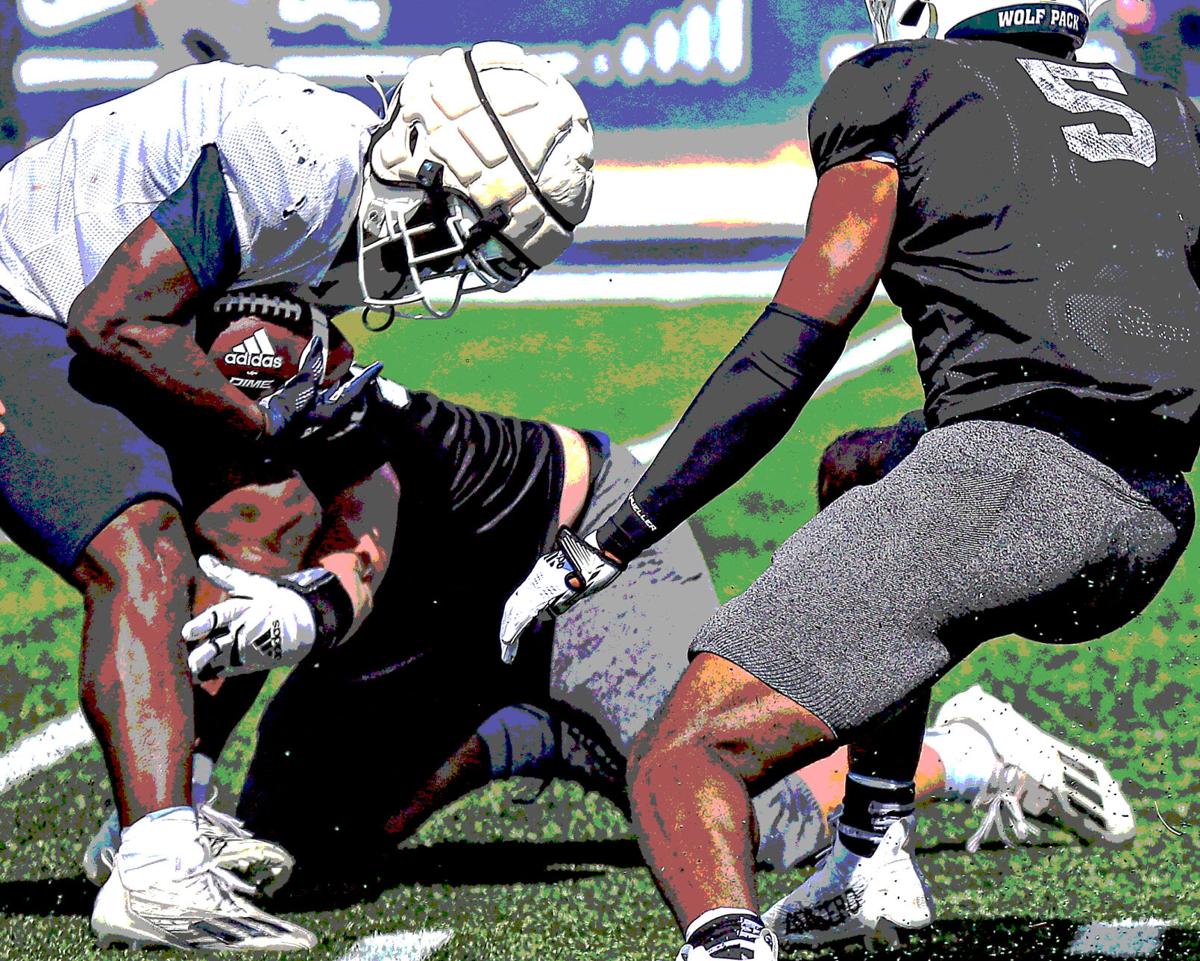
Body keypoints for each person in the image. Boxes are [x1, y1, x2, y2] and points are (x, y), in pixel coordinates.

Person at [500, 0, 1199, 957]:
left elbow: (795, 341)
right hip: (1153, 514)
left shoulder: (899, 84)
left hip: (1008, 491)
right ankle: (869, 845)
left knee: (681, 760)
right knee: (857, 464)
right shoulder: (1163, 111)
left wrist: (611, 539)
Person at [83, 290, 1133, 901]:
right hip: (439, 628)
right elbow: (214, 613)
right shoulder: (206, 450)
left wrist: (280, 638)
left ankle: (971, 750)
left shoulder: (370, 455)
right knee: (296, 851)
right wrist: (182, 790)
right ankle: (533, 737)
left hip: (573, 569)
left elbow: (328, 573)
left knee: (747, 812)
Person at [0, 41, 591, 952]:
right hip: (21, 298)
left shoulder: (355, 213)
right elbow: (111, 319)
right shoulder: (301, 161)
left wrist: (309, 607)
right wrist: (262, 426)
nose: (461, 261)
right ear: (423, 158)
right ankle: (154, 874)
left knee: (273, 517)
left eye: (490, 252)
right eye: (468, 227)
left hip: (89, 317)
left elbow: (354, 460)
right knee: (143, 544)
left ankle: (164, 809)